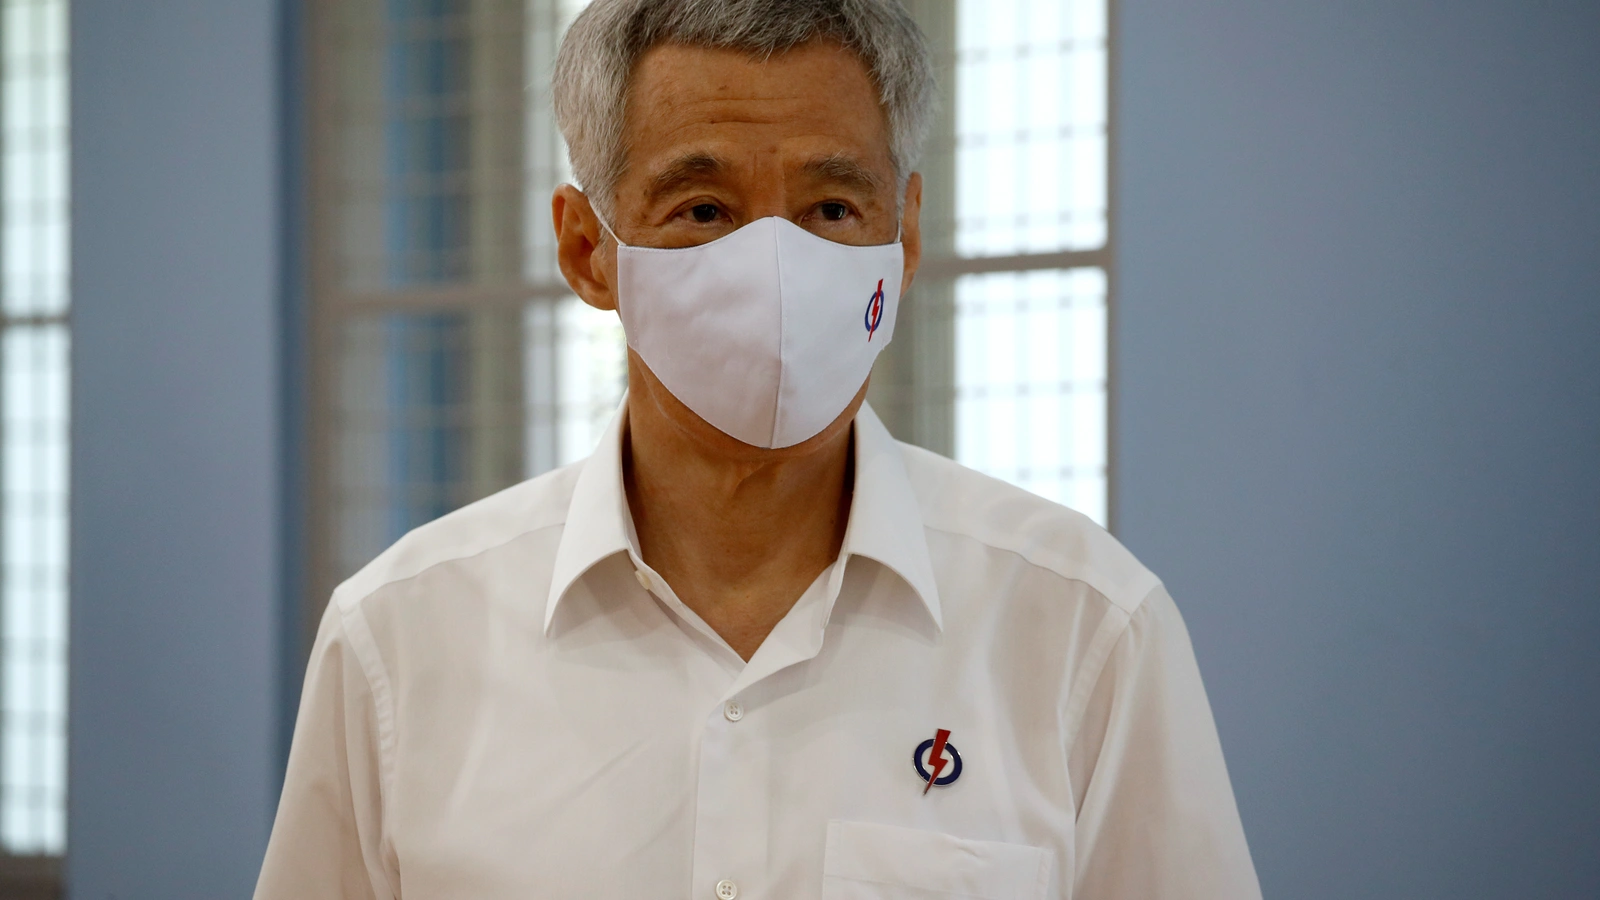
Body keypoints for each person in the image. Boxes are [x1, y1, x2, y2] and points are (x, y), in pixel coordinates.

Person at [255, 1, 1261, 897]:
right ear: (586, 250)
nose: (776, 272)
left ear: (902, 235)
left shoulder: (1082, 633)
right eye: (703, 210)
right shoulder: (399, 645)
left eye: (831, 209)